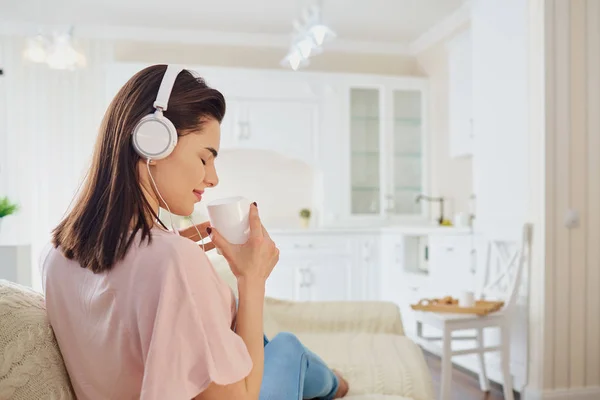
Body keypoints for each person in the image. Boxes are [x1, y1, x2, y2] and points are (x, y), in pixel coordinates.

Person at [40, 64, 349, 400]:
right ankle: (335, 384)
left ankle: (331, 380)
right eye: (205, 159)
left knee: (255, 340)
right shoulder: (172, 259)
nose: (213, 178)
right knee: (287, 347)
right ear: (152, 143)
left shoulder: (56, 255)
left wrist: (180, 271)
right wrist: (252, 279)